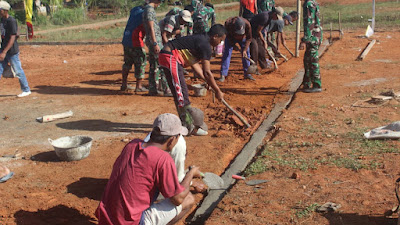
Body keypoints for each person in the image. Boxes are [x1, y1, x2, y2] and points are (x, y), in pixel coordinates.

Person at [96, 113, 201, 225]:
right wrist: (190, 173)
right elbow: (178, 199)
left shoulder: (132, 145)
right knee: (188, 199)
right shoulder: (163, 159)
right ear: (171, 140)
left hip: (106, 219)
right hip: (131, 222)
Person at [158, 24, 226, 136]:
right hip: (170, 57)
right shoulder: (205, 45)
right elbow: (207, 72)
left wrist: (207, 82)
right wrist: (217, 90)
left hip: (168, 56)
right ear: (215, 36)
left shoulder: (202, 40)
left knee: (178, 93)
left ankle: (185, 123)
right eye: (221, 40)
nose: (220, 43)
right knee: (182, 93)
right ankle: (190, 127)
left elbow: (195, 65)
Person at [0, 1, 31, 98]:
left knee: (18, 70)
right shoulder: (2, 20)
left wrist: (4, 52)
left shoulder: (11, 21)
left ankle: (26, 89)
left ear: (4, 11)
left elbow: (13, 37)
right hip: (3, 49)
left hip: (11, 51)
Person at [143, 0, 171, 96]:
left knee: (153, 66)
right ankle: (166, 89)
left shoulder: (147, 9)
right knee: (162, 64)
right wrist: (155, 43)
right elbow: (151, 27)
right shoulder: (149, 10)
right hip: (155, 41)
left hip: (153, 41)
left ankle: (153, 89)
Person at [120, 6, 148, 93]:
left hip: (126, 40)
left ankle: (124, 84)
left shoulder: (135, 10)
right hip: (136, 41)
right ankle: (138, 86)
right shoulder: (147, 13)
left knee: (127, 62)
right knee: (140, 63)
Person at [219, 17, 254, 82]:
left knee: (247, 54)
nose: (239, 36)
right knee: (227, 54)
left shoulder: (247, 25)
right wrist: (233, 45)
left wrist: (245, 49)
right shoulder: (228, 24)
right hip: (231, 37)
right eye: (238, 34)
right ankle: (223, 74)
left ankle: (247, 74)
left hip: (243, 39)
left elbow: (249, 38)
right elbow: (227, 36)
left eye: (241, 34)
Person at [299, 0, 323, 93]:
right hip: (315, 35)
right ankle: (307, 83)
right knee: (307, 59)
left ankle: (317, 84)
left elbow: (309, 23)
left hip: (313, 37)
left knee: (312, 60)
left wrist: (305, 40)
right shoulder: (313, 2)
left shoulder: (308, 5)